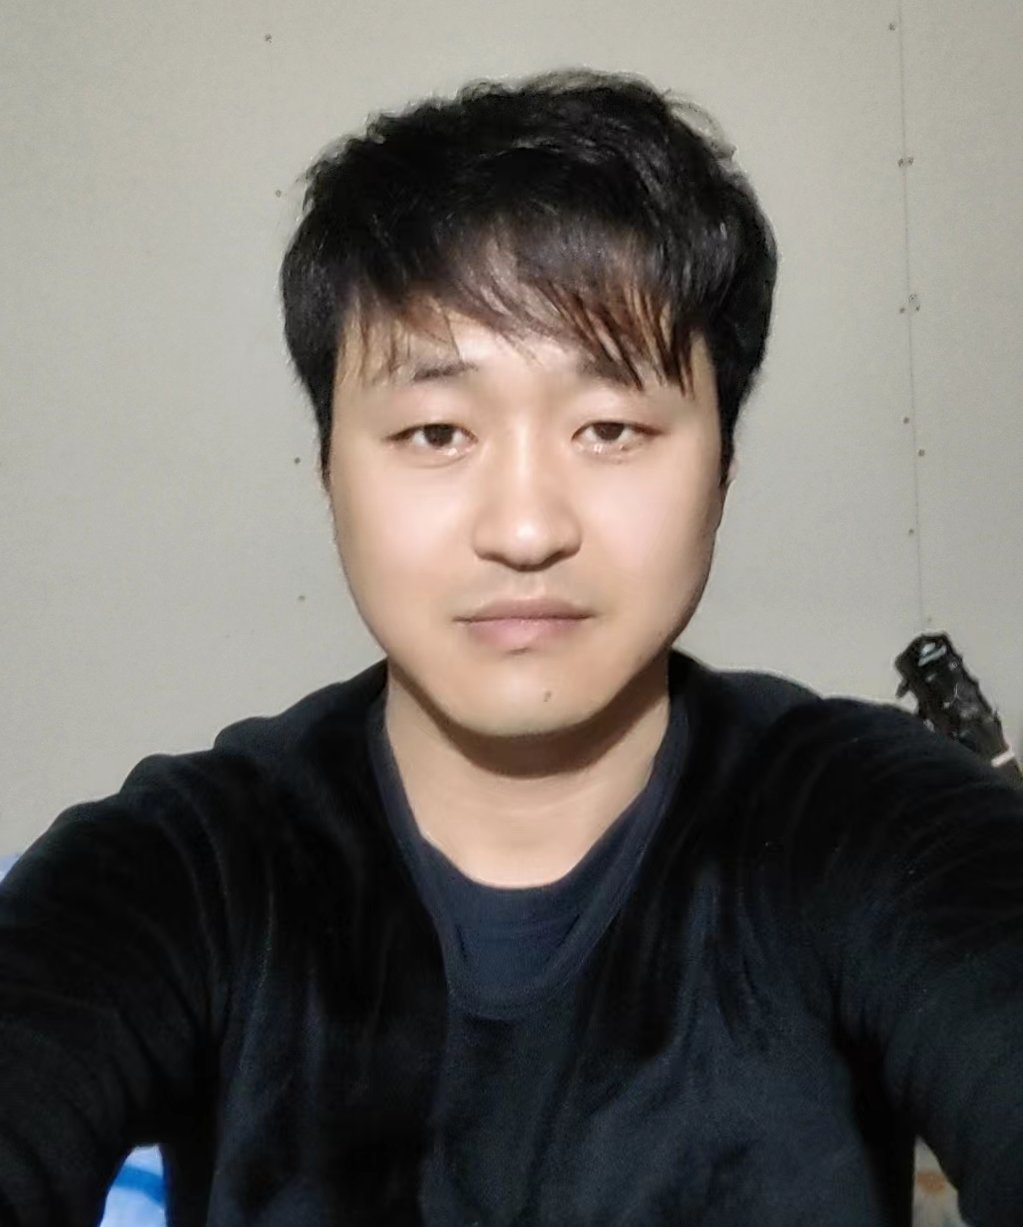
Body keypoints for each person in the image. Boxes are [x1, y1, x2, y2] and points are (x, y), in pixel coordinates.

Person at [1, 69, 1021, 1227]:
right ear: (329, 469)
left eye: (610, 428)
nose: (526, 529)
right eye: (437, 432)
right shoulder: (190, 867)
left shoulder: (865, 821)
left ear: (723, 468)